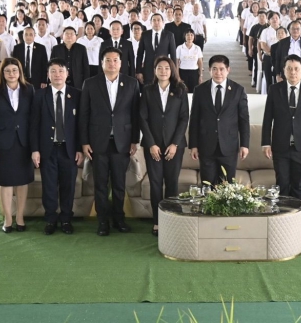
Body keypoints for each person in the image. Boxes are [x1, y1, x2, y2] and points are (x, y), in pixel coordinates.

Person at [80, 47, 141, 236]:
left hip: (122, 142)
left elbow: (135, 114)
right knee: (100, 184)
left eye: (115, 60)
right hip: (98, 142)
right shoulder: (90, 83)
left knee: (119, 184)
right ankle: (102, 221)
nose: (112, 63)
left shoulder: (131, 83)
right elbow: (84, 114)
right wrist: (84, 142)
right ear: (102, 63)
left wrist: (134, 140)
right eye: (108, 60)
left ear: (121, 63)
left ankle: (119, 219)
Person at [30, 59, 82, 235]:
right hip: (48, 149)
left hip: (69, 150)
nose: (57, 74)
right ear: (48, 75)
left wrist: (80, 148)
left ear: (67, 74)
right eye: (53, 71)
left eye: (61, 71)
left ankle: (66, 219)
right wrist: (35, 149)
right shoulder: (39, 95)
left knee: (68, 186)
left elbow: (81, 124)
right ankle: (50, 219)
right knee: (49, 186)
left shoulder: (77, 95)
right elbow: (34, 125)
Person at [139, 56, 190, 236]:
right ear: (154, 70)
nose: (163, 71)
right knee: (155, 184)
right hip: (153, 146)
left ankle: (171, 220)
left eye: (167, 68)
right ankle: (157, 221)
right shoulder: (147, 90)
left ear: (172, 70)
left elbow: (184, 118)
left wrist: (175, 143)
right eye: (159, 68)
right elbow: (142, 118)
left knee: (171, 183)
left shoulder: (180, 90)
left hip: (174, 146)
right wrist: (151, 144)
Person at [261, 55, 301, 201]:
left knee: (298, 185)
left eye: (296, 69)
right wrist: (266, 143)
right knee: (282, 184)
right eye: (289, 68)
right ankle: (282, 214)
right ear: (284, 70)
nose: (293, 72)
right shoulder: (274, 89)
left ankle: (296, 215)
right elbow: (267, 119)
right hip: (280, 146)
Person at [0, 58, 35, 233]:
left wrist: (34, 147)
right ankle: (7, 218)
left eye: (14, 70)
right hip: (2, 144)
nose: (11, 74)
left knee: (22, 182)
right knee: (5, 182)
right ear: (3, 73)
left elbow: (33, 120)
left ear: (20, 72)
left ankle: (20, 217)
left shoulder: (29, 90)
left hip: (24, 142)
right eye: (7, 71)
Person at [189, 55, 250, 185]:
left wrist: (244, 145)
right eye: (214, 69)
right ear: (209, 70)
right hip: (206, 147)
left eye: (222, 69)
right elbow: (194, 119)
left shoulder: (238, 90)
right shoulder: (200, 90)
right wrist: (193, 145)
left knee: (227, 188)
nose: (218, 73)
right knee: (207, 187)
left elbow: (244, 120)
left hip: (229, 147)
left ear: (228, 70)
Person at [137, 14, 177, 85]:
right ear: (150, 22)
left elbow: (173, 55)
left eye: (158, 20)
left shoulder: (169, 35)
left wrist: (174, 72)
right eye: (154, 20)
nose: (156, 22)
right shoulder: (145, 34)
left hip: (163, 71)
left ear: (163, 22)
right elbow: (140, 54)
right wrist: (138, 71)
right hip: (148, 70)